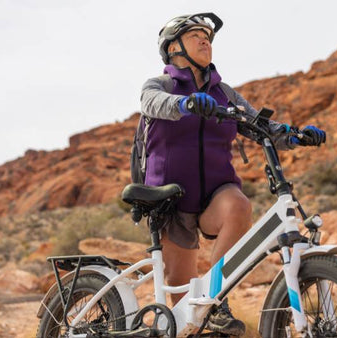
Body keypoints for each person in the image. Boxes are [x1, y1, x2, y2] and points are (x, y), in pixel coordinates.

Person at [139, 12, 326, 336]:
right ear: (173, 48)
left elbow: (257, 124)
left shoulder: (224, 93)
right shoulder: (161, 85)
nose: (204, 40)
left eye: (207, 37)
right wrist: (186, 104)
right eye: (195, 35)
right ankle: (200, 316)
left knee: (238, 205)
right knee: (186, 316)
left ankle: (218, 299)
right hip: (170, 199)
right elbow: (151, 103)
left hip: (215, 193)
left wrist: (294, 135)